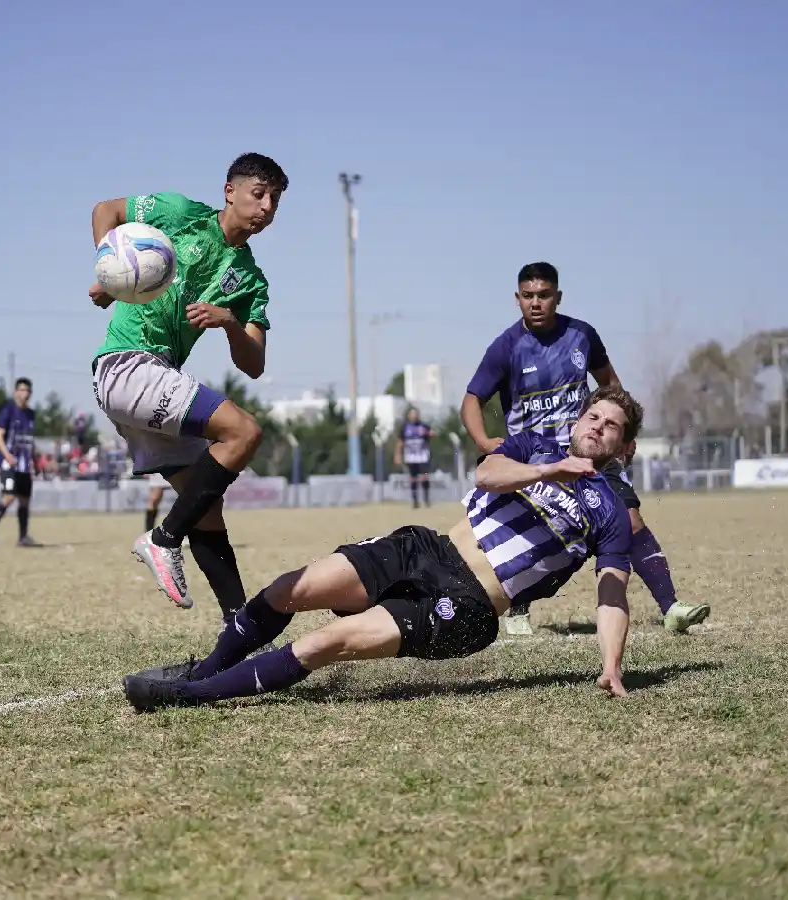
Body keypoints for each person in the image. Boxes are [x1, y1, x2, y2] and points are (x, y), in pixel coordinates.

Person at [122, 387, 642, 712]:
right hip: (426, 548)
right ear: (578, 421)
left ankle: (191, 696)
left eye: (611, 426)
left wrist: (611, 664)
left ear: (623, 447)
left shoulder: (611, 512)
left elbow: (613, 594)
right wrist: (549, 470)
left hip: (469, 605)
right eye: (593, 417)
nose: (597, 427)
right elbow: (488, 473)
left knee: (328, 641)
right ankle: (205, 670)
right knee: (288, 590)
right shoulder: (536, 447)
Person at [88, 152, 288, 617]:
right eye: (258, 194)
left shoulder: (251, 281)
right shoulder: (179, 214)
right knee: (244, 431)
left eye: (275, 200)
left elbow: (253, 365)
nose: (266, 207)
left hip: (155, 378)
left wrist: (230, 323)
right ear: (229, 192)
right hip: (127, 365)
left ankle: (239, 630)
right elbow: (106, 210)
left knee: (206, 508)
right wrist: (110, 269)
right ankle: (163, 539)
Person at [461, 262, 708, 636]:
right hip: (538, 457)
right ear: (517, 299)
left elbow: (610, 383)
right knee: (529, 529)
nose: (536, 303)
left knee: (629, 518)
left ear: (558, 297)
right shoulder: (506, 347)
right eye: (528, 296)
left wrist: (623, 430)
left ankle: (670, 606)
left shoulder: (582, 335)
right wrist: (484, 441)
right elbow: (471, 399)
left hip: (591, 450)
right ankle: (517, 608)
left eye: (544, 295)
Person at [0, 378, 38, 548]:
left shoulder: (31, 414)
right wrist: (7, 456)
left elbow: (30, 440)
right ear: (16, 392)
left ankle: (23, 537)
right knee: (9, 496)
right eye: (22, 390)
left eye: (27, 390)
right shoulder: (8, 410)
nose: (25, 394)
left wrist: (34, 460)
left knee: (24, 500)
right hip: (9, 463)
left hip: (24, 463)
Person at [394, 406, 433, 508]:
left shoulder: (423, 426)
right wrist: (397, 455)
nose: (414, 416)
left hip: (423, 456)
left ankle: (426, 499)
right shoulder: (405, 428)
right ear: (408, 416)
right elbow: (400, 442)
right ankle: (415, 501)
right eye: (412, 414)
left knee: (424, 476)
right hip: (411, 457)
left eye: (415, 414)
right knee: (413, 478)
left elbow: (433, 434)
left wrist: (427, 433)